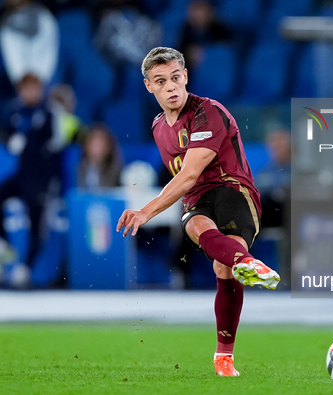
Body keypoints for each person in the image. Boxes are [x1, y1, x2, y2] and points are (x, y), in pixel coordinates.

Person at [116, 47, 280, 376]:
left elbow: (189, 173)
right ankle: (244, 265)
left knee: (223, 267)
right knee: (195, 224)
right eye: (161, 81)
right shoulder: (158, 127)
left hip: (233, 189)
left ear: (186, 77)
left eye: (176, 78)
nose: (171, 86)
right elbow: (188, 184)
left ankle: (225, 350)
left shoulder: (208, 112)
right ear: (149, 86)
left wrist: (145, 211)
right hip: (197, 199)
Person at [0, 73, 62, 287]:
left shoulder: (48, 112)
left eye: (34, 88)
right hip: (21, 174)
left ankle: (25, 267)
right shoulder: (15, 111)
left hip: (40, 178)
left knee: (37, 223)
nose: (29, 93)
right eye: (25, 89)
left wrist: (28, 141)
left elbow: (54, 141)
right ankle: (4, 244)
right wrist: (10, 139)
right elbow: (6, 131)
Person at [77, 123, 122, 190]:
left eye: (101, 145)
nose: (98, 149)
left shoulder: (116, 170)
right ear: (87, 145)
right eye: (95, 144)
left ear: (108, 147)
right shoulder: (79, 168)